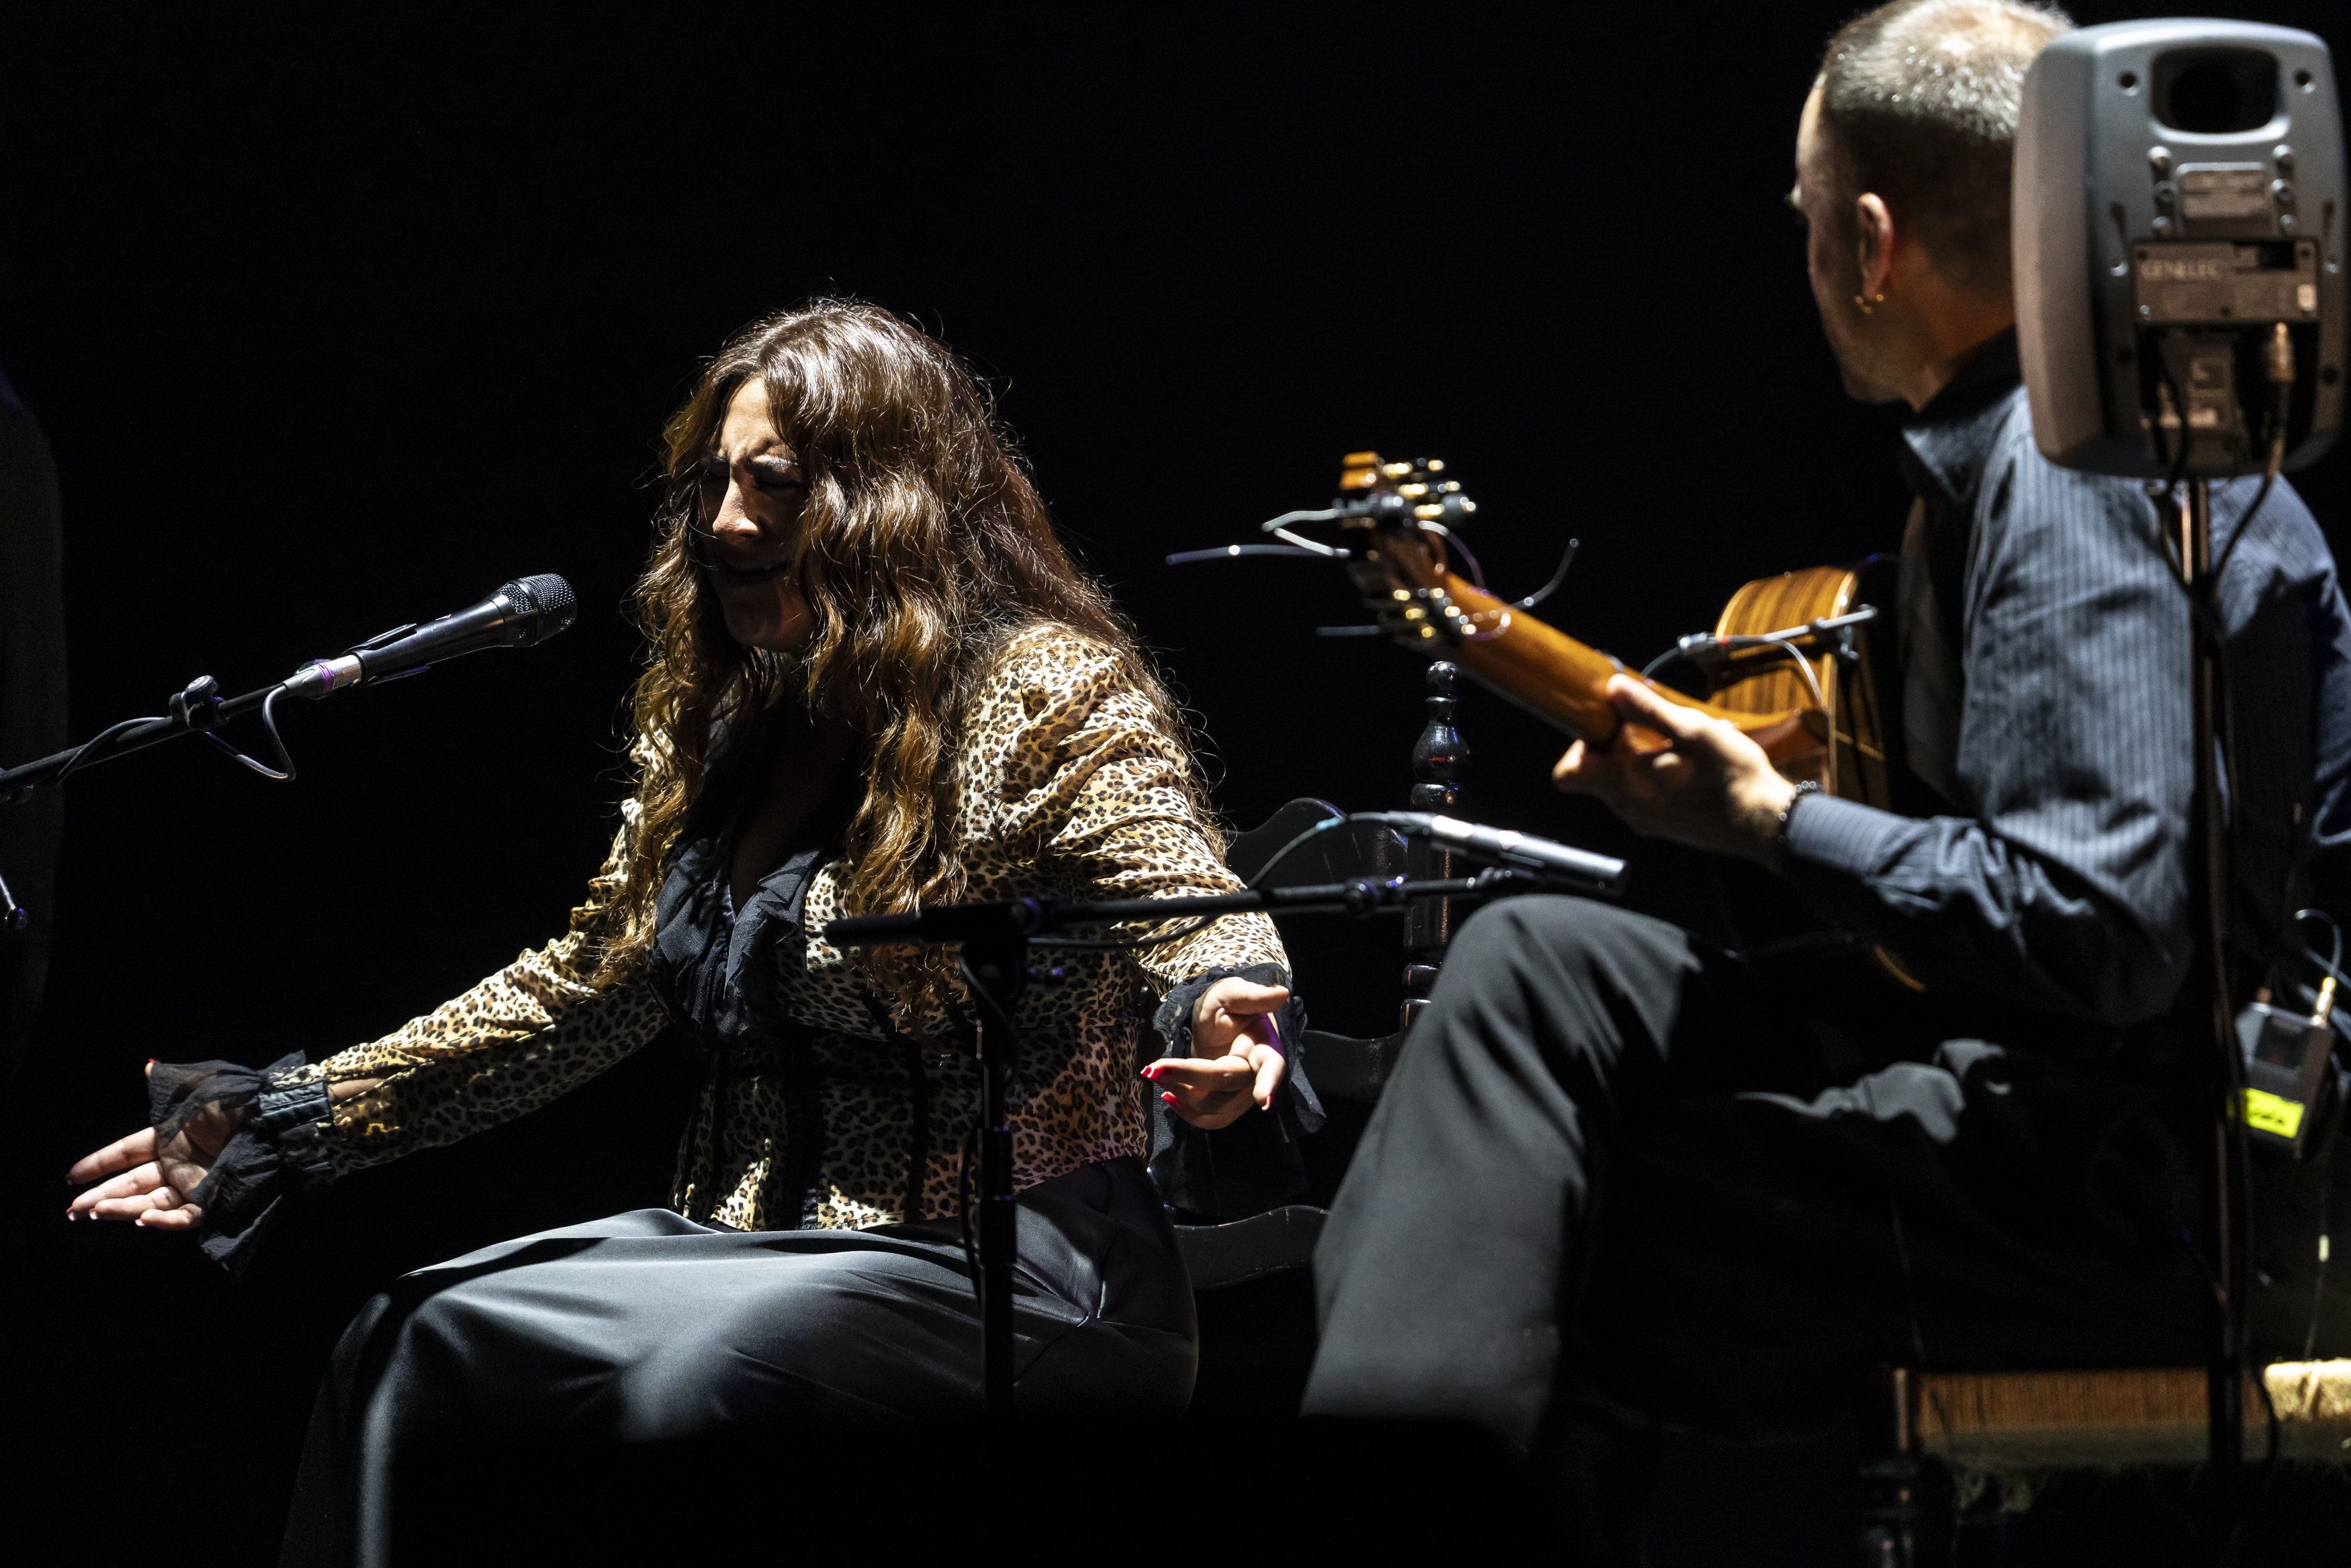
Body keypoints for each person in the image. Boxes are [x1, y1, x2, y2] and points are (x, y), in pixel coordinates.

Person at [1304, 0, 2351, 1534]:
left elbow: (2103, 932)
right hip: (2065, 1127)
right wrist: (1757, 832)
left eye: (1804, 223)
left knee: (1552, 1237)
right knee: (1537, 966)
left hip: (2139, 1201)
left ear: (1869, 243)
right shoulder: (2043, 454)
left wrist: (1776, 818)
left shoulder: (2073, 482)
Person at [64, 302, 1307, 1560]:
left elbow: (1176, 881)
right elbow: (585, 992)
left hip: (1018, 1273)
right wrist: (300, 1122)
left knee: (692, 1392)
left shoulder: (1040, 692)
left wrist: (1226, 997)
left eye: (774, 484)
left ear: (892, 502)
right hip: (742, 1257)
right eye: (712, 480)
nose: (724, 520)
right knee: (405, 1339)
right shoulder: (728, 718)